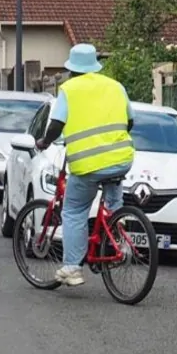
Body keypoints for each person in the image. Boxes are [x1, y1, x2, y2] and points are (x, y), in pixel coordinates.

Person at [34, 44, 135, 287]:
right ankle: (117, 232)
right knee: (112, 201)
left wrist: (45, 142)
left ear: (72, 69)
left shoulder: (69, 89)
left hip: (88, 164)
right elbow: (130, 121)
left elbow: (57, 124)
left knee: (74, 211)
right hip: (122, 159)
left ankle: (72, 268)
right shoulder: (116, 86)